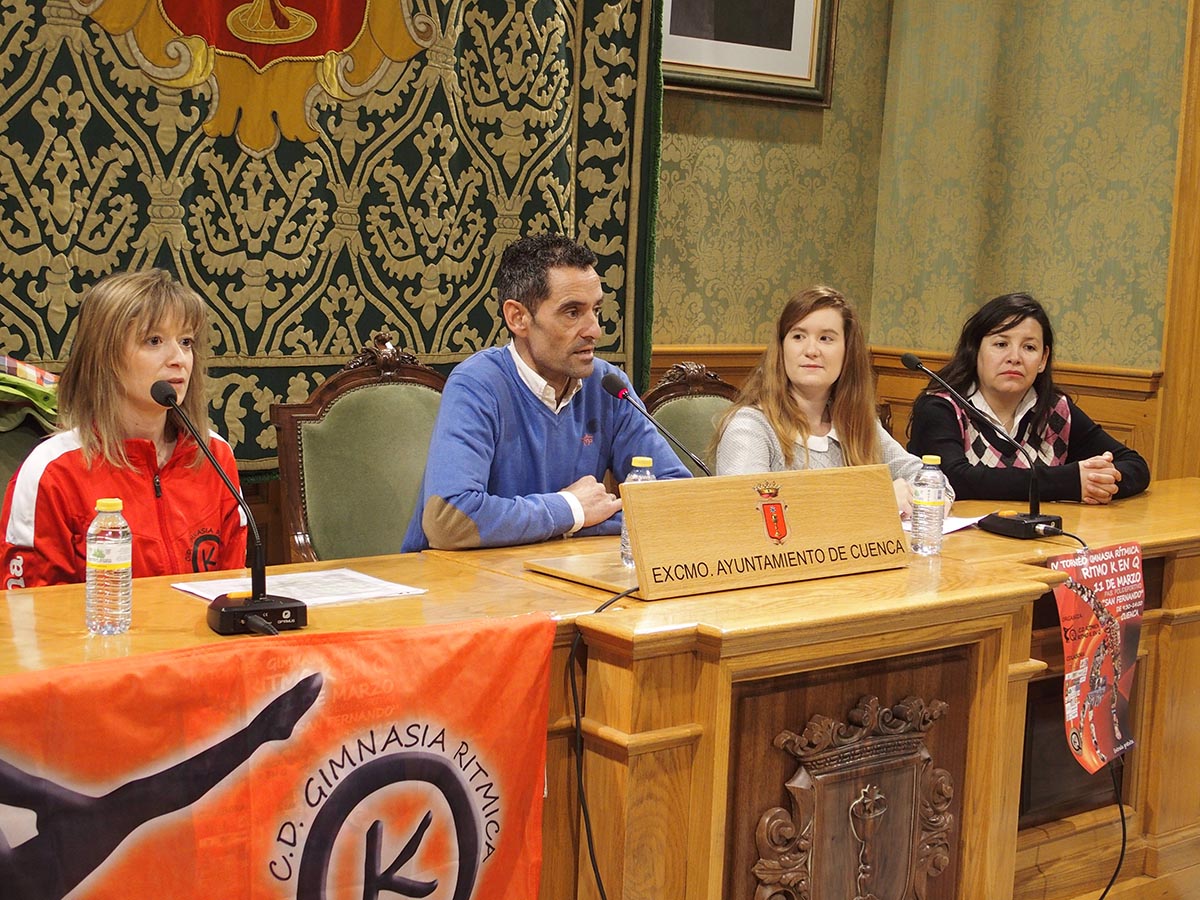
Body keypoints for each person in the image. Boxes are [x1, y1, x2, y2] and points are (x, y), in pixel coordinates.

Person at [402, 234, 691, 552]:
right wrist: (572, 509)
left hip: (561, 579)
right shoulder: (478, 384)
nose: (593, 330)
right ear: (518, 318)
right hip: (459, 586)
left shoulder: (608, 386)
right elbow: (450, 522)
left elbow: (676, 500)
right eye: (572, 313)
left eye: (596, 310)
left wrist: (576, 522)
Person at [0, 269, 248, 588]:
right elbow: (31, 617)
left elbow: (233, 589)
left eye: (186, 341)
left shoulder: (215, 455)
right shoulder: (51, 472)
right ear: (106, 356)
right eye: (154, 340)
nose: (179, 359)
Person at [714, 286, 945, 516]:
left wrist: (927, 498)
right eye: (798, 336)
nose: (811, 350)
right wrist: (876, 501)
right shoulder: (750, 427)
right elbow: (747, 512)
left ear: (847, 352)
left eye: (826, 338)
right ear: (782, 348)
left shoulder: (854, 421)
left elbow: (928, 478)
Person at [907, 292, 1149, 503]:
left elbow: (1134, 465)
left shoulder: (1055, 412)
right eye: (1001, 344)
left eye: (1029, 348)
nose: (1015, 357)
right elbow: (954, 479)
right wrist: (1068, 482)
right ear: (974, 350)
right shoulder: (941, 407)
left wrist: (1098, 482)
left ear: (1043, 359)